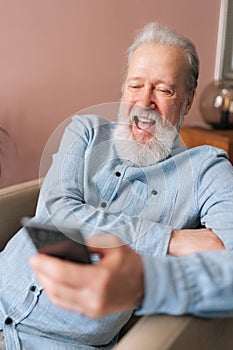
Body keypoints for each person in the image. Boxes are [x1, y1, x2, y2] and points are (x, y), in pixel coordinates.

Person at [0, 22, 233, 349]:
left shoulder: (206, 169)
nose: (144, 101)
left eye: (163, 90)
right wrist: (170, 240)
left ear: (189, 99)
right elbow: (55, 213)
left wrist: (147, 282)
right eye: (135, 85)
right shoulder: (86, 131)